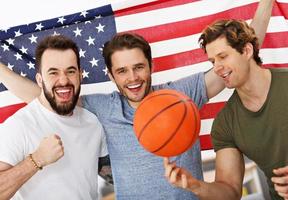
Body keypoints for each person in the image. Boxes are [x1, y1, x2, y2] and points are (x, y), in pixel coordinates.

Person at [0, 1, 274, 199]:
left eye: (139, 67)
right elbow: (45, 96)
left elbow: (239, 59)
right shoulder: (102, 108)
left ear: (150, 66)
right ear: (111, 75)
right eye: (122, 71)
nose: (132, 77)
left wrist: (266, 4)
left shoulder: (180, 95)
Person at [164, 18, 288, 200]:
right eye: (213, 61)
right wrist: (195, 185)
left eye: (223, 56)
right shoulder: (225, 123)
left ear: (246, 50)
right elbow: (230, 191)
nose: (217, 68)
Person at [0, 35, 108, 200]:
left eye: (70, 71)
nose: (63, 80)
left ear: (80, 75)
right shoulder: (18, 125)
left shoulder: (93, 122)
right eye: (53, 73)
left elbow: (103, 176)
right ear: (39, 80)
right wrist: (36, 160)